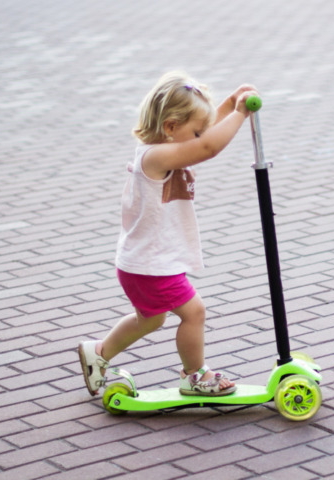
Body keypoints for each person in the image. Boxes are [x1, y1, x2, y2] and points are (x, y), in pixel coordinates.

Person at [78, 71, 258, 397]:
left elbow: (200, 136)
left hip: (143, 262)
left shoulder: (165, 147)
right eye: (195, 128)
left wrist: (231, 103)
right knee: (194, 312)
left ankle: (99, 353)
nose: (202, 133)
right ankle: (195, 376)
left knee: (150, 320)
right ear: (171, 127)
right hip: (149, 264)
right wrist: (240, 115)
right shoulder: (156, 157)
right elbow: (206, 147)